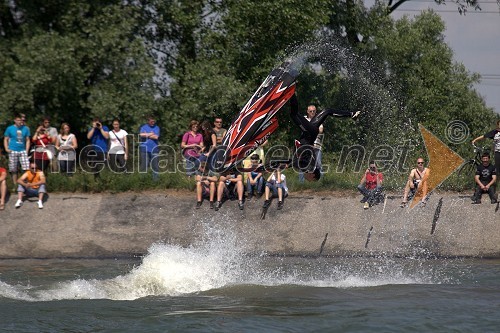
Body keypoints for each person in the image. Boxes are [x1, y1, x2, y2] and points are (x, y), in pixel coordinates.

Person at [290, 94, 360, 181]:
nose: (308, 180)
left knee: (327, 111)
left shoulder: (307, 166)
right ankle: (291, 93)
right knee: (294, 114)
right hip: (309, 133)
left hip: (311, 132)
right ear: (312, 175)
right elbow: (305, 156)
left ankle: (351, 114)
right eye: (311, 180)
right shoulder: (308, 168)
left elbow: (297, 159)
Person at [3, 114, 31, 186]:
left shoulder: (25, 128)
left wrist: (27, 150)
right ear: (15, 120)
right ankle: (15, 184)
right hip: (13, 149)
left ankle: (25, 183)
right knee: (13, 168)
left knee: (26, 167)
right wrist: (6, 148)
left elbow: (28, 140)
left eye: (20, 120)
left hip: (22, 150)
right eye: (18, 120)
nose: (19, 121)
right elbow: (5, 139)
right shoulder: (10, 128)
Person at [298, 104, 324, 182]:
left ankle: (320, 182)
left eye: (314, 111)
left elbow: (321, 130)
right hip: (306, 145)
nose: (312, 112)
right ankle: (301, 183)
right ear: (307, 112)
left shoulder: (318, 120)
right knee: (302, 163)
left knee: (318, 164)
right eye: (311, 111)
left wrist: (308, 128)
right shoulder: (304, 119)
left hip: (316, 145)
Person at [139, 115, 160, 181]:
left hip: (154, 149)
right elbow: (141, 135)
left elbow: (156, 137)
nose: (153, 121)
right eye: (151, 120)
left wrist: (146, 134)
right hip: (144, 149)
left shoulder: (157, 128)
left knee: (155, 166)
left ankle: (155, 181)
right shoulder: (143, 127)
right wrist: (151, 134)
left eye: (154, 120)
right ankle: (143, 181)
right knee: (144, 166)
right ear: (148, 120)